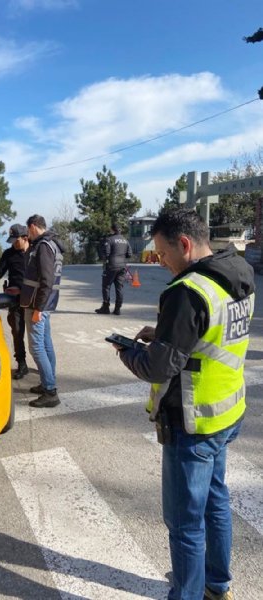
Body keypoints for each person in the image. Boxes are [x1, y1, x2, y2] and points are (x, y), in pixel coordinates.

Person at [113, 209, 255, 600]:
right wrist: (165, 331)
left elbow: (159, 367)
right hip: (226, 412)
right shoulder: (238, 272)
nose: (159, 261)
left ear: (185, 244)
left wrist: (127, 354)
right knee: (215, 501)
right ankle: (216, 584)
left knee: (185, 524)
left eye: (161, 252)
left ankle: (187, 594)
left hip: (191, 422)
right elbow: (212, 329)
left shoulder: (186, 291)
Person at [20, 214, 64, 408]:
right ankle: (47, 382)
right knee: (46, 344)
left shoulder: (43, 246)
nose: (27, 235)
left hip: (37, 304)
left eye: (27, 231)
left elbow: (46, 280)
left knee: (36, 347)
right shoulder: (52, 244)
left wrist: (38, 308)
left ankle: (50, 391)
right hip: (43, 303)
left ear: (32, 227)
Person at [0, 224, 30, 379]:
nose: (13, 243)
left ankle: (46, 369)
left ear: (25, 238)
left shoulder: (35, 253)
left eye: (15, 240)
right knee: (17, 332)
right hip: (15, 302)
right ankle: (22, 364)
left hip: (33, 300)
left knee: (37, 337)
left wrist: (22, 289)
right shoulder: (9, 254)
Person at [95, 223, 132, 315]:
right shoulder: (125, 240)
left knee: (106, 286)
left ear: (112, 230)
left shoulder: (109, 239)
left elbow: (106, 253)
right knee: (119, 287)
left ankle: (106, 307)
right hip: (122, 266)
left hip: (111, 265)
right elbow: (129, 254)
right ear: (120, 230)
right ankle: (117, 309)